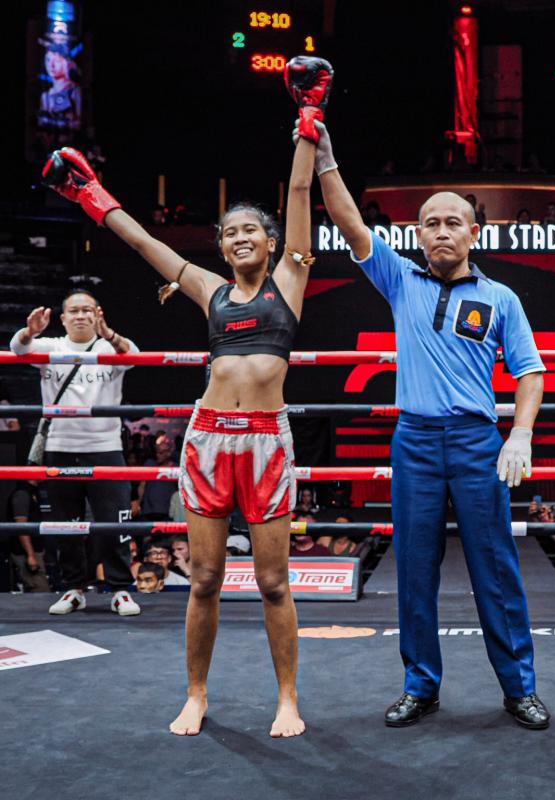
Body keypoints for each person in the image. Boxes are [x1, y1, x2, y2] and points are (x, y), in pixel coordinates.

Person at [39, 54, 331, 738]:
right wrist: (91, 196)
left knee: (274, 583)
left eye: (249, 230)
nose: (239, 238)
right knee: (202, 580)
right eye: (229, 233)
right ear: (222, 248)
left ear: (270, 242)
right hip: (209, 439)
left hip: (266, 442)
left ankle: (288, 700)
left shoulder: (290, 279)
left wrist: (308, 116)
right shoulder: (210, 289)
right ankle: (196, 695)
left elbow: (299, 192)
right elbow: (144, 242)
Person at [307, 122, 550, 730]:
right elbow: (349, 223)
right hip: (414, 440)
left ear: (474, 231)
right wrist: (326, 157)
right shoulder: (400, 280)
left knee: (495, 567)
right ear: (418, 234)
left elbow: (530, 372)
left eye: (453, 222)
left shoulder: (501, 298)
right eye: (431, 223)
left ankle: (519, 688)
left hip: (476, 442)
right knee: (414, 570)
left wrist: (520, 434)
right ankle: (421, 686)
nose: (442, 230)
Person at [10, 290, 140, 616]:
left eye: (87, 310)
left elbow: (134, 355)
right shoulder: (52, 347)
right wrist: (30, 332)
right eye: (74, 311)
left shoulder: (110, 347)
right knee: (66, 525)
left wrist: (109, 333)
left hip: (105, 448)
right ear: (64, 318)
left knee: (115, 523)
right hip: (61, 448)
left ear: (97, 314)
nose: (81, 316)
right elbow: (17, 348)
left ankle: (121, 589)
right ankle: (73, 588)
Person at [7, 480, 50, 593]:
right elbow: (21, 526)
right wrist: (30, 555)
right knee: (40, 589)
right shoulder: (22, 493)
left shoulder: (34, 491)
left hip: (35, 549)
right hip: (25, 553)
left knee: (39, 589)